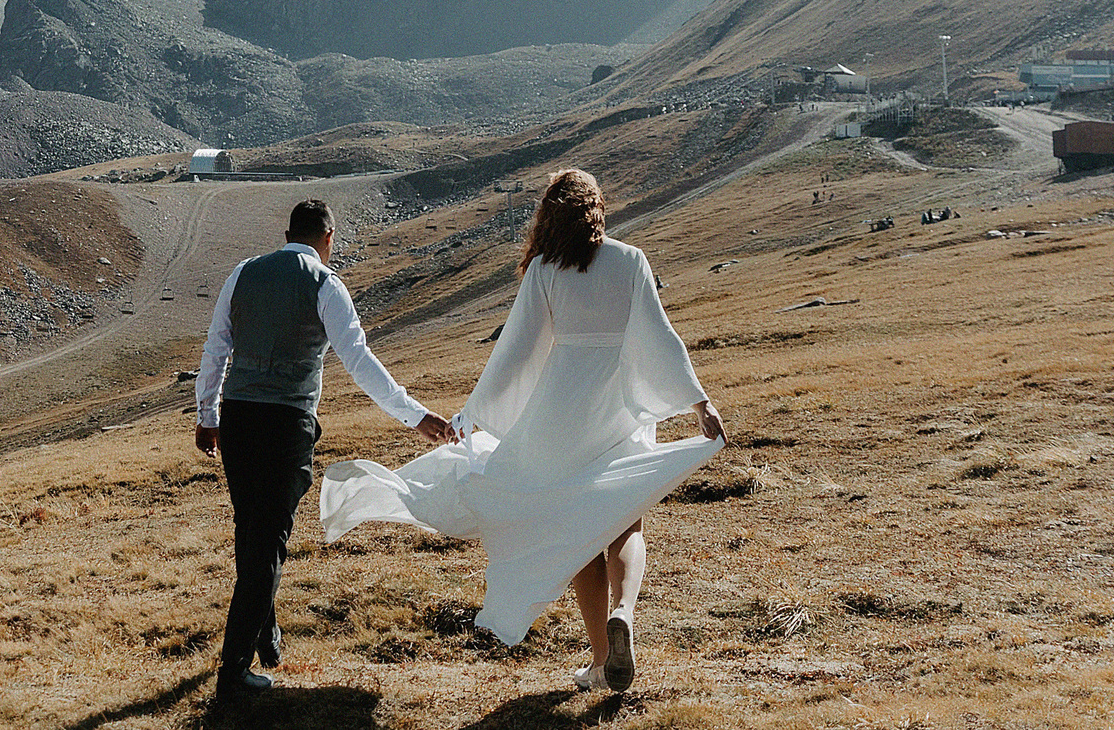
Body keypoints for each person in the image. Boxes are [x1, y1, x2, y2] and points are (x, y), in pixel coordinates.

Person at [318, 169, 724, 693]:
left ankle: (603, 658)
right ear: (598, 207)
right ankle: (624, 612)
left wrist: (474, 414)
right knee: (625, 521)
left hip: (564, 414)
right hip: (618, 409)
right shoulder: (629, 260)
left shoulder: (545, 270)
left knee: (577, 535)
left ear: (550, 214)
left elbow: (515, 354)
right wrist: (700, 404)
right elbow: (660, 336)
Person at [195, 197, 457, 704]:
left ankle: (262, 635)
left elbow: (216, 347)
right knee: (267, 540)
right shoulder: (325, 284)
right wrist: (416, 416)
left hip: (239, 418)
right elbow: (358, 360)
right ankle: (232, 675)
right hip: (286, 423)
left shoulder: (243, 273)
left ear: (288, 231)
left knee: (250, 529)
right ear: (328, 238)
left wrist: (209, 417)